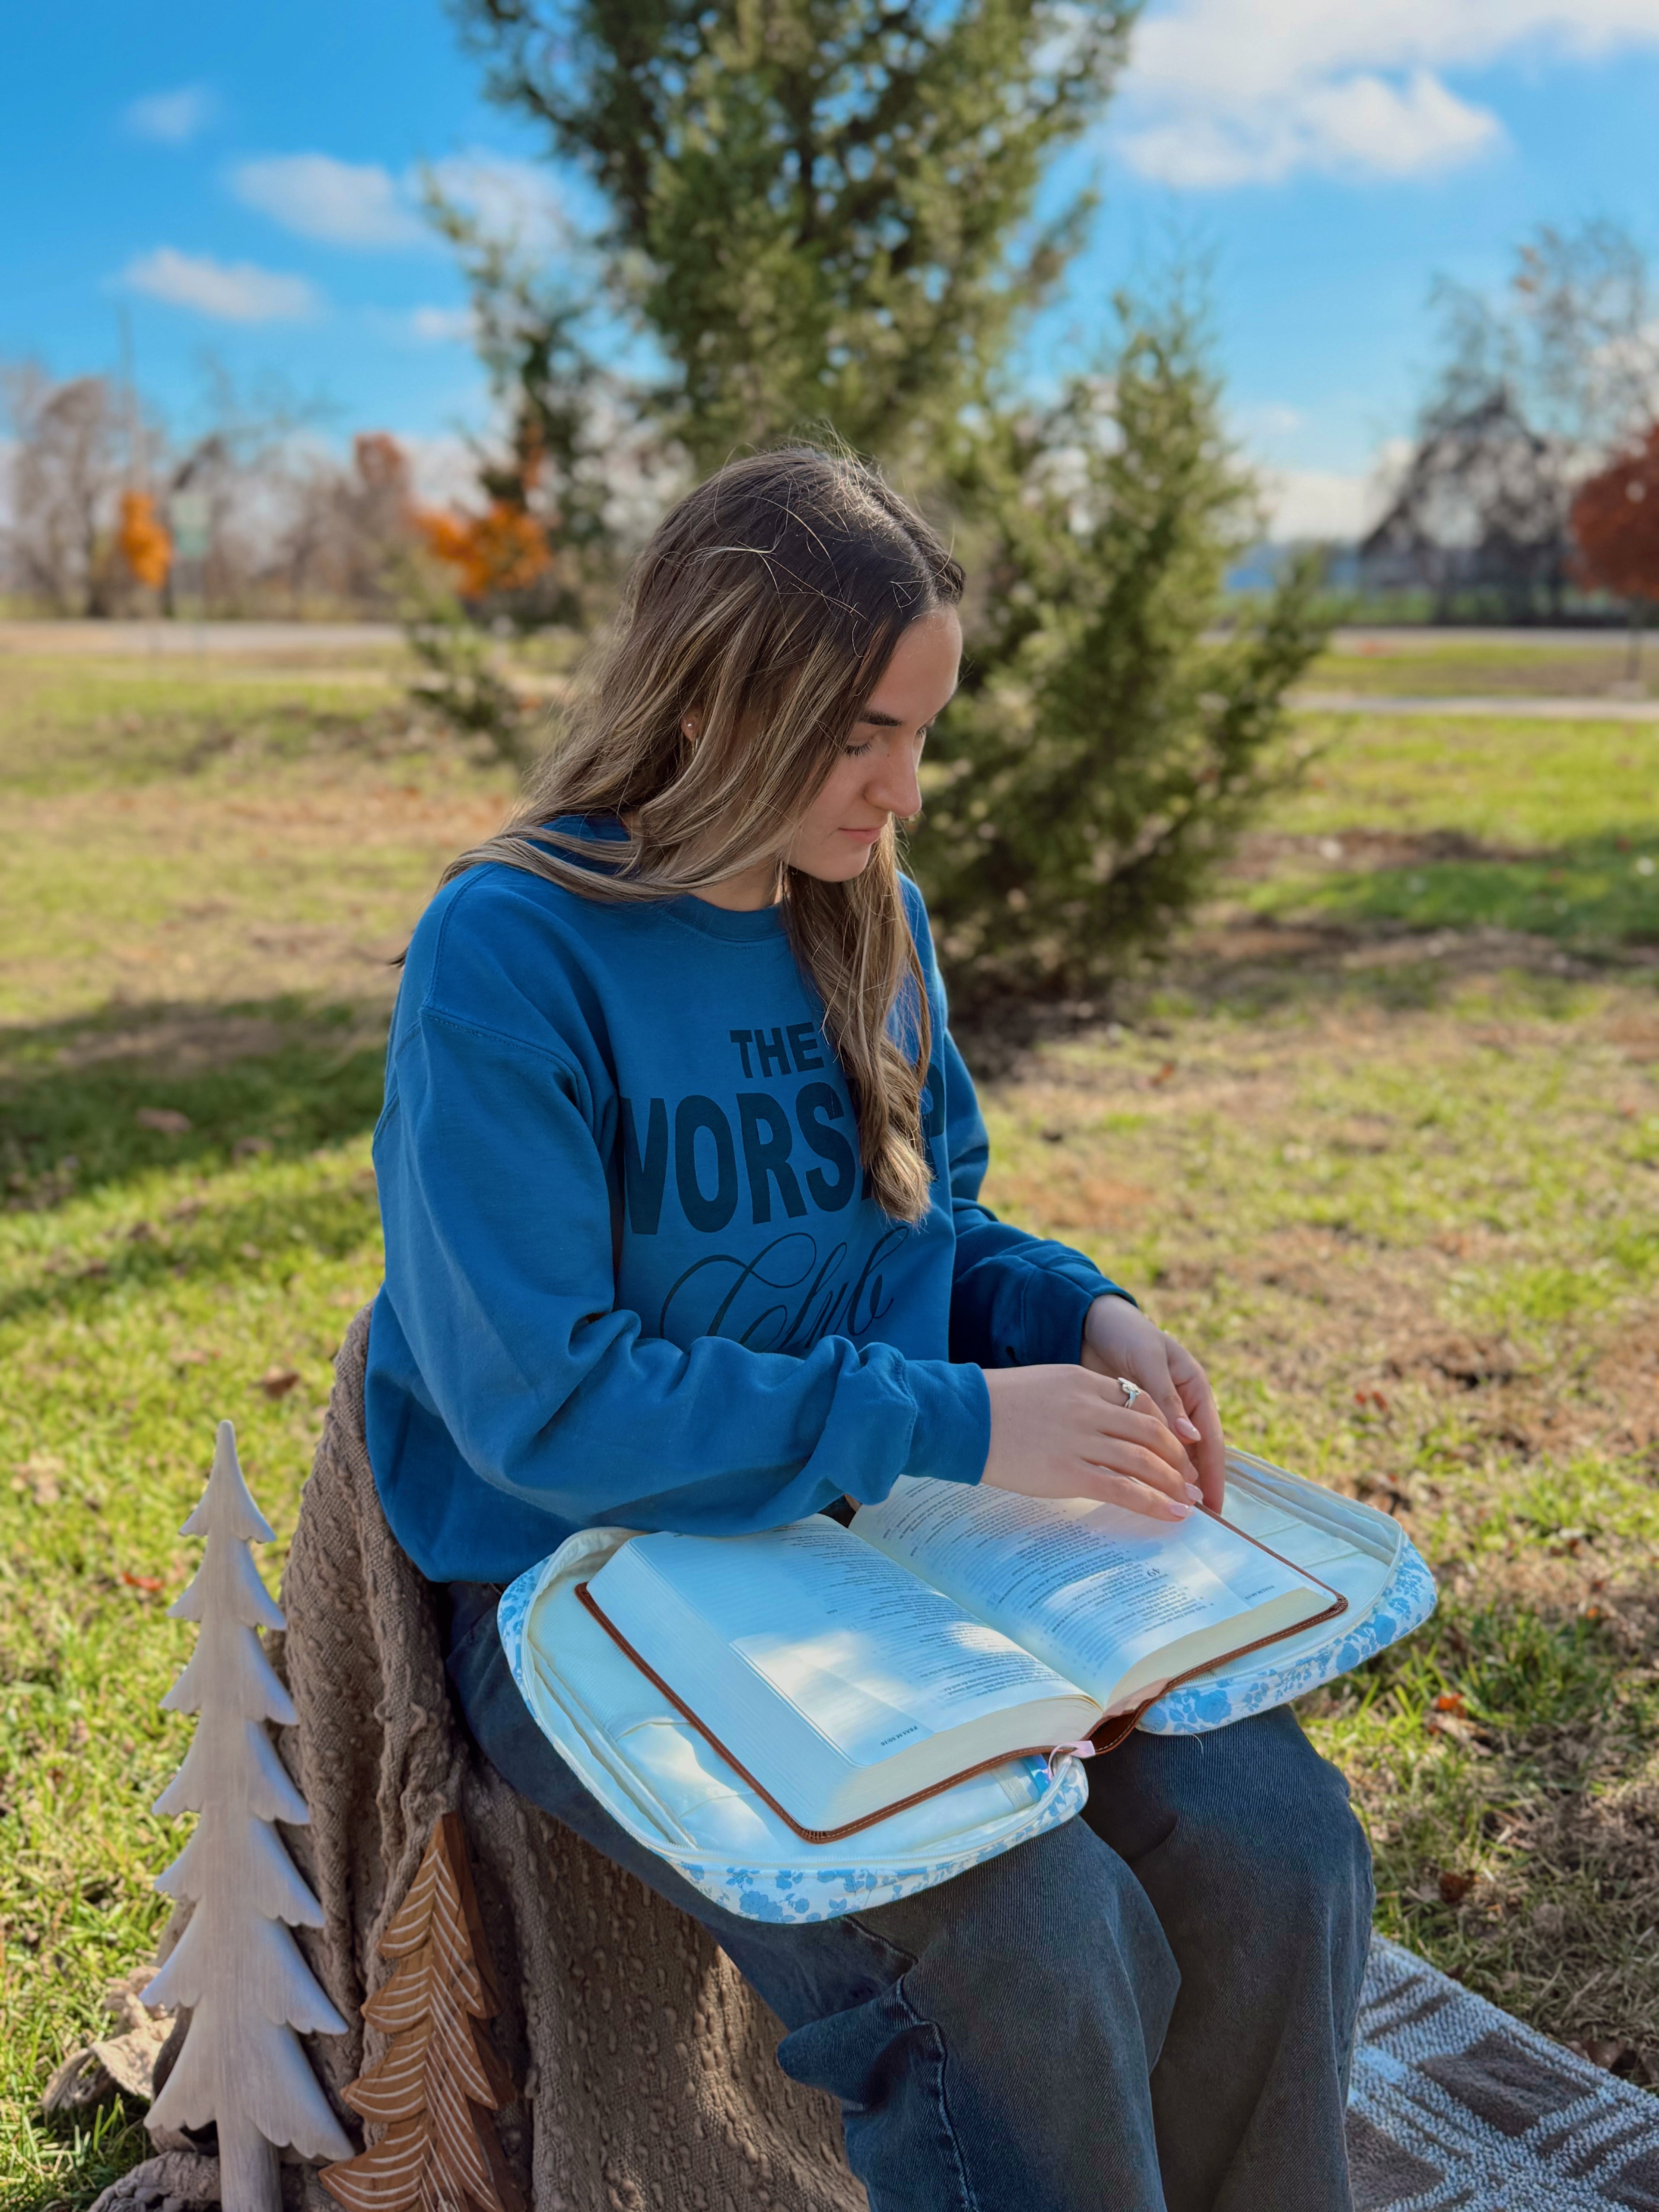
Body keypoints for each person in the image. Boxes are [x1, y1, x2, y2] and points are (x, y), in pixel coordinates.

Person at [366, 446, 1372, 2212]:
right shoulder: (511, 948)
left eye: (923, 731)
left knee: (1278, 1845)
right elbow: (545, 1403)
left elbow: (943, 1226)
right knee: (1027, 1936)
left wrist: (1084, 1313)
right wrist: (958, 1425)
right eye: (865, 733)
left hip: (874, 1540)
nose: (905, 786)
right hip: (585, 1580)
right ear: (721, 690)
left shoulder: (873, 918)